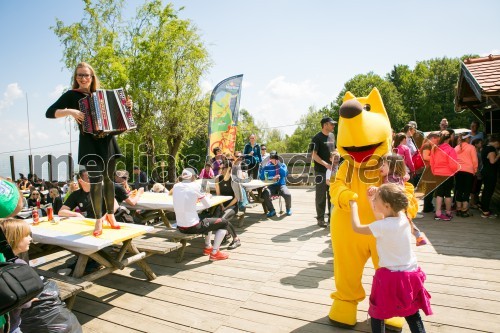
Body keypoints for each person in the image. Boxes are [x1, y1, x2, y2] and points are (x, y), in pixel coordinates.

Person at [46, 62, 131, 237]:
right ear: (76, 78)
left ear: (92, 77)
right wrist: (70, 111)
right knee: (95, 182)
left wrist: (127, 108)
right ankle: (98, 219)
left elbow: (121, 118)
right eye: (79, 75)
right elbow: (49, 112)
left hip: (107, 141)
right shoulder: (71, 95)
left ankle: (110, 216)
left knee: (109, 181)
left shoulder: (102, 95)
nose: (83, 78)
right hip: (88, 143)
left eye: (86, 75)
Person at [349, 183, 432, 333]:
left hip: (391, 277)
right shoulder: (403, 218)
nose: (374, 202)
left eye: (377, 200)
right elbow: (381, 218)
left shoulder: (382, 226)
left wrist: (353, 205)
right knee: (412, 313)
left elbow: (356, 227)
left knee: (378, 313)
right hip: (411, 275)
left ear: (387, 206)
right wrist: (372, 197)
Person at [172, 168, 230, 261]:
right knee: (224, 223)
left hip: (180, 226)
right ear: (193, 176)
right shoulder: (195, 186)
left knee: (208, 219)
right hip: (192, 227)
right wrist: (208, 197)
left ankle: (208, 247)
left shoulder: (176, 186)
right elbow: (207, 205)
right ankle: (215, 253)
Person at [371, 154, 427, 246]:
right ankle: (418, 236)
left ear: (393, 167)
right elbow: (405, 176)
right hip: (401, 204)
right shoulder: (397, 176)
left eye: (384, 165)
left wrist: (377, 189)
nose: (380, 167)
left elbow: (389, 189)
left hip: (395, 206)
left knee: (395, 223)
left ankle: (398, 240)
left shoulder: (390, 178)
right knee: (407, 221)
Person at [0, 218, 36, 333]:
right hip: (10, 325)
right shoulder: (18, 266)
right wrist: (30, 299)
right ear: (14, 238)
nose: (30, 238)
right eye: (26, 235)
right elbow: (25, 303)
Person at [310, 116, 337, 227]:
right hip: (320, 171)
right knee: (321, 195)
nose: (333, 126)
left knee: (332, 194)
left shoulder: (332, 136)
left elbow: (334, 149)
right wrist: (325, 164)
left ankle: (332, 218)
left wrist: (336, 155)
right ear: (325, 125)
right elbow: (313, 155)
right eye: (332, 124)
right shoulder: (316, 138)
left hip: (332, 171)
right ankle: (320, 219)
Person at [430, 130, 460, 221]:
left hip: (437, 173)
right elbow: (453, 164)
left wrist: (434, 171)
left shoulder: (435, 148)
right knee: (447, 194)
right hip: (448, 174)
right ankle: (448, 212)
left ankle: (438, 213)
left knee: (439, 193)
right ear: (449, 139)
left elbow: (432, 162)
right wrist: (455, 171)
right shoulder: (451, 149)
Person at [213, 160, 242, 249]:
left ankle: (236, 239)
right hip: (221, 204)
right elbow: (218, 195)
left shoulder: (234, 179)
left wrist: (226, 207)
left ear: (229, 168)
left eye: (223, 168)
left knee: (223, 218)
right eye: (220, 168)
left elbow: (236, 198)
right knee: (214, 219)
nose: (221, 170)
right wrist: (222, 205)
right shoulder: (217, 178)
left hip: (232, 205)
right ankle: (226, 234)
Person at [259, 151, 292, 217]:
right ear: (270, 158)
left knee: (287, 194)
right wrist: (272, 178)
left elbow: (285, 174)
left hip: (281, 185)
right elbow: (261, 177)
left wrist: (278, 165)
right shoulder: (266, 166)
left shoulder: (282, 165)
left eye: (275, 157)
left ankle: (288, 209)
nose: (274, 159)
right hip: (271, 186)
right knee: (265, 193)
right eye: (272, 157)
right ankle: (272, 210)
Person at [454, 133, 478, 217]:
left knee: (459, 190)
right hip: (469, 171)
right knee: (467, 190)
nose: (470, 139)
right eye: (469, 138)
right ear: (467, 139)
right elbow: (474, 160)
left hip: (458, 171)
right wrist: (475, 170)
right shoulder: (471, 147)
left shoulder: (456, 147)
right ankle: (464, 210)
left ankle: (458, 209)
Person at [419, 131, 440, 213]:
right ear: (432, 138)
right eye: (437, 140)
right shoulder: (427, 145)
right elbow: (426, 157)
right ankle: (427, 207)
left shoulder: (428, 145)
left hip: (429, 169)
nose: (437, 142)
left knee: (429, 189)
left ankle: (428, 206)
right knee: (429, 189)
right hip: (428, 170)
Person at [480, 135, 500, 218]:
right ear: (495, 142)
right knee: (489, 191)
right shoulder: (491, 149)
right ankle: (485, 212)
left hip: (485, 172)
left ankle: (484, 208)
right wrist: (499, 155)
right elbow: (492, 161)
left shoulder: (484, 148)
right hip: (490, 173)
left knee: (486, 190)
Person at [469, 138, 483, 209]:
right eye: (480, 143)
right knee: (473, 189)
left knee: (477, 188)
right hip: (476, 173)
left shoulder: (479, 152)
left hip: (479, 172)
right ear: (476, 144)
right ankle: (472, 203)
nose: (481, 144)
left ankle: (475, 202)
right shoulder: (475, 153)